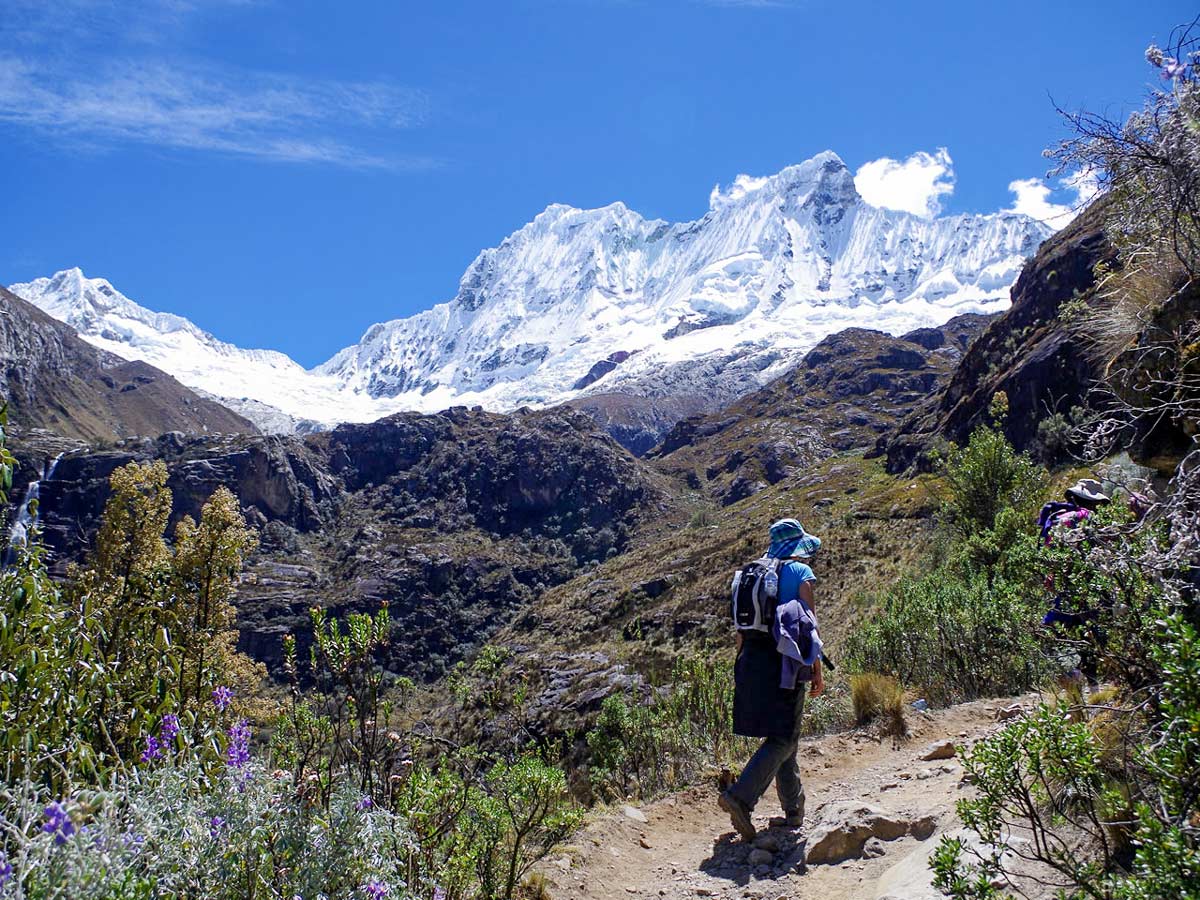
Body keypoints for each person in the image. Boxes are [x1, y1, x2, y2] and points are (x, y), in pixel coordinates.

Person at [719, 518, 824, 842]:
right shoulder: (800, 573)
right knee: (784, 737)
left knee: (784, 735)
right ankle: (741, 797)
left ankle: (794, 811)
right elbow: (808, 626)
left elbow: (740, 631)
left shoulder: (754, 574)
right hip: (786, 662)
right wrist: (816, 666)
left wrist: (742, 667)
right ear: (797, 545)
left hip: (753, 659)